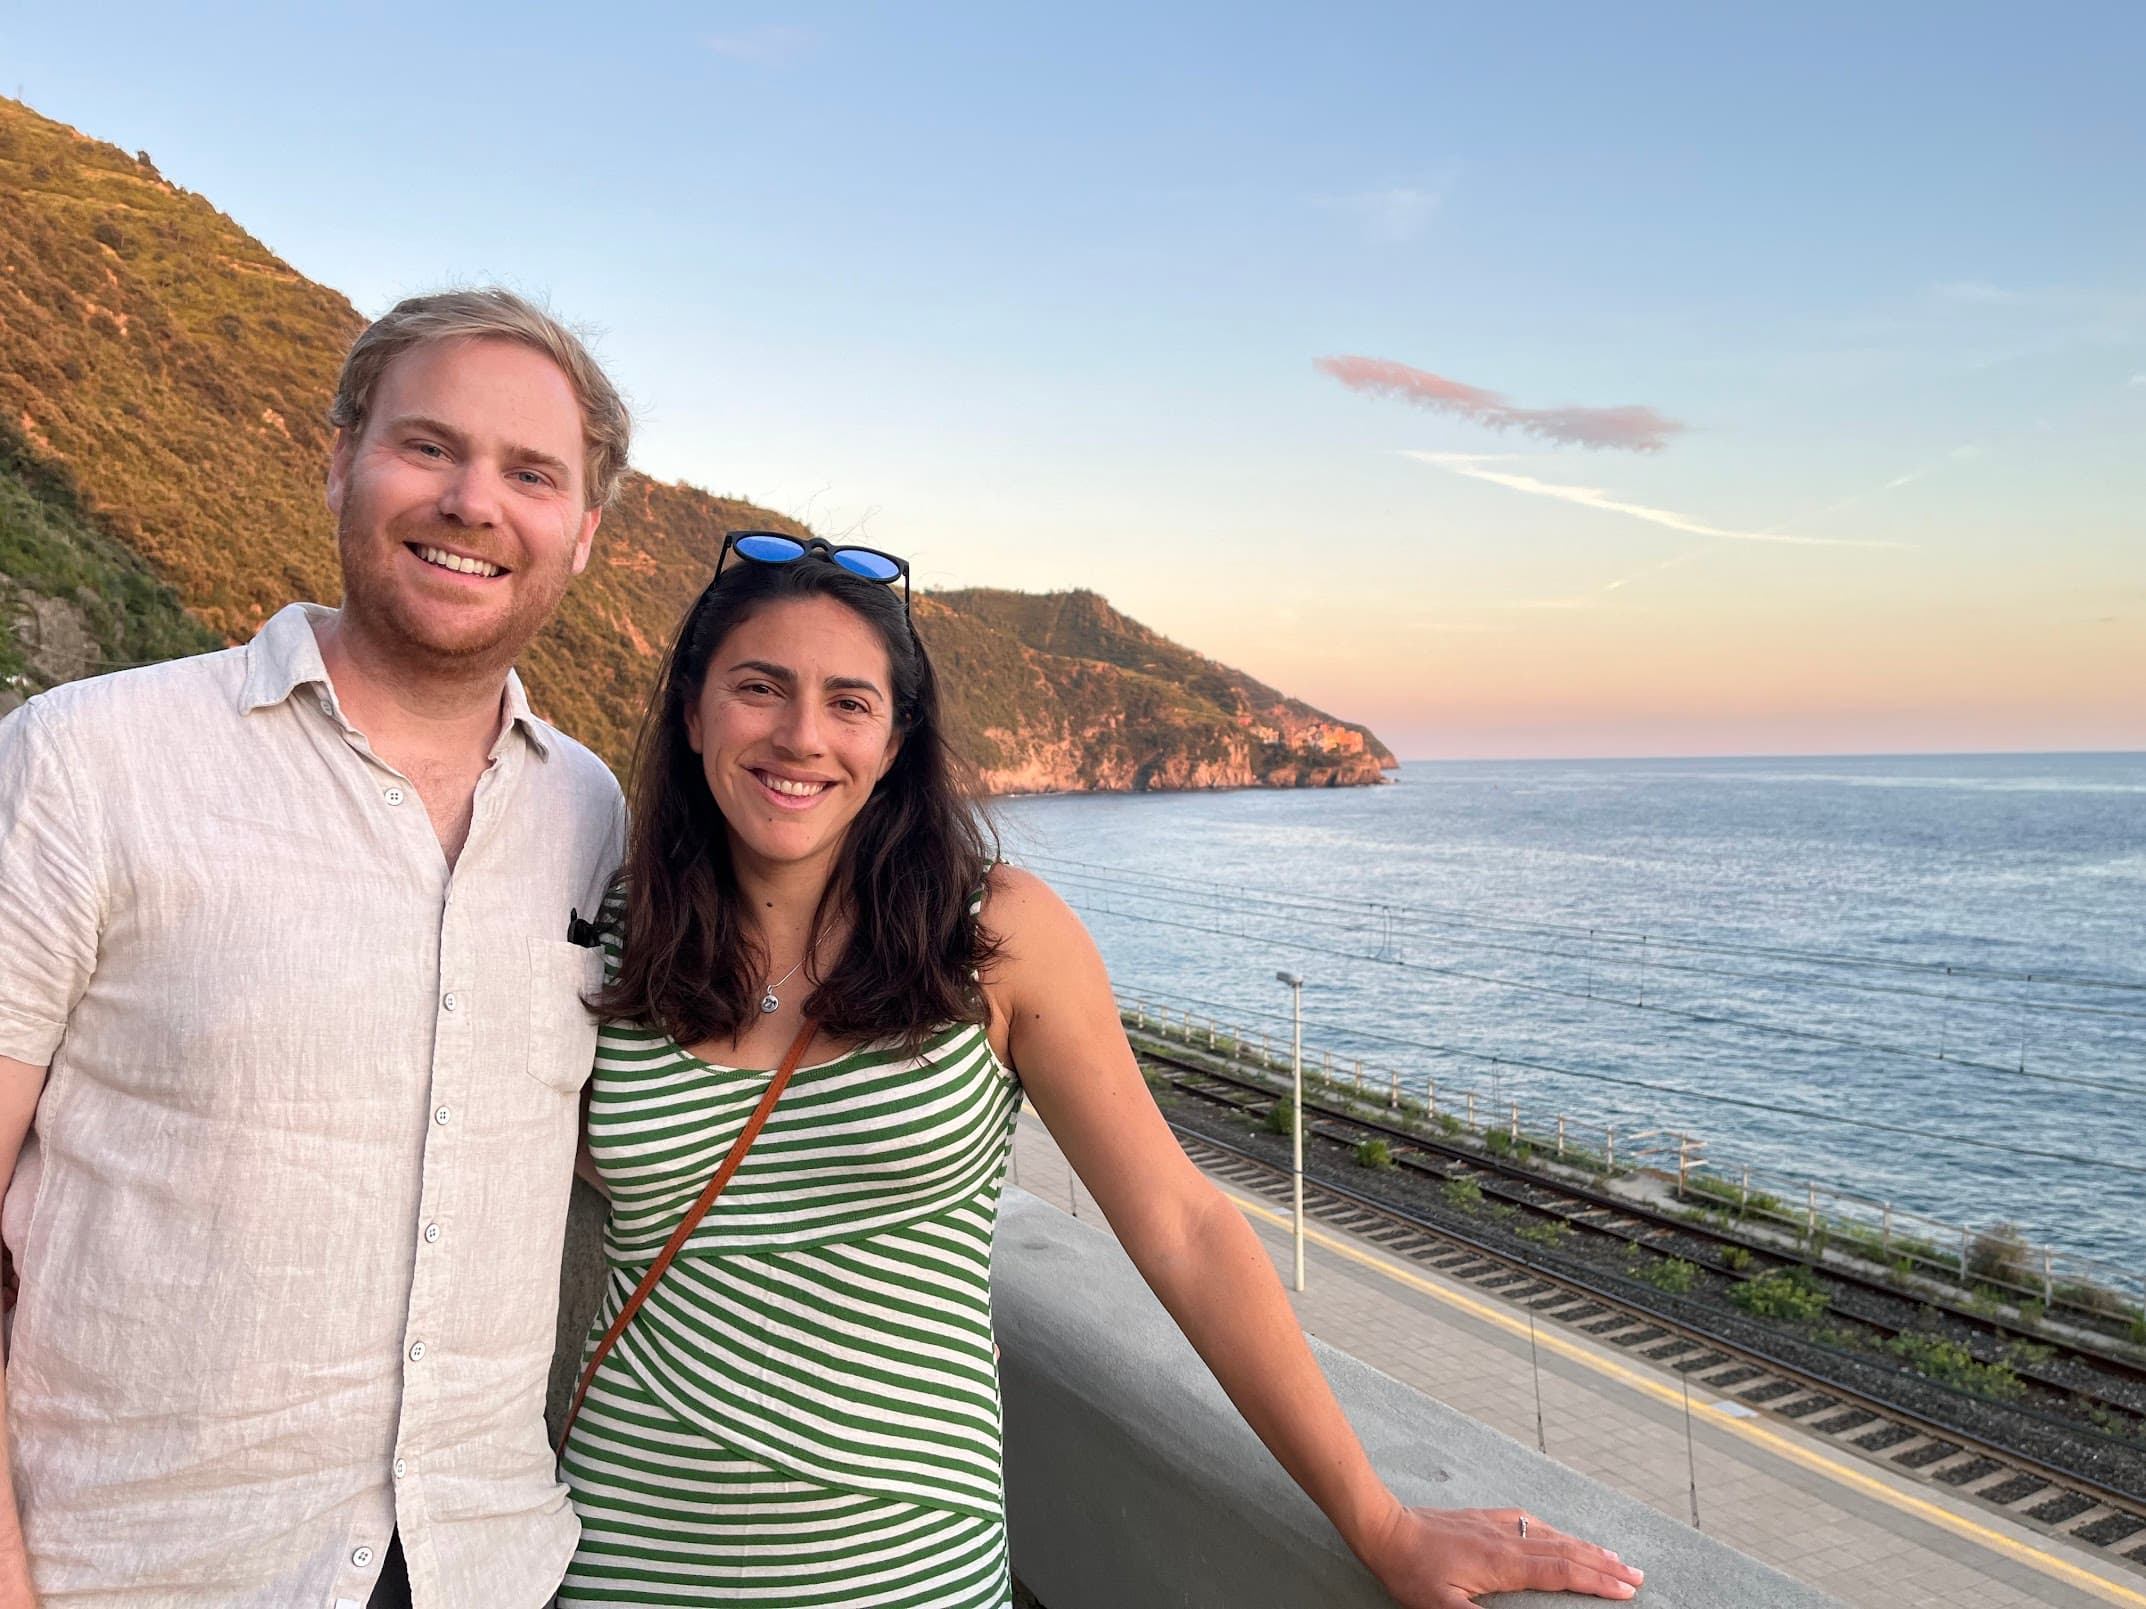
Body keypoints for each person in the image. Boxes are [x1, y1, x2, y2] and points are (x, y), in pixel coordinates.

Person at [556, 532, 1645, 1607]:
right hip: (624, 1557)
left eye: (849, 701)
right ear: (694, 711)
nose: (802, 735)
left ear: (892, 744)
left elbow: (1182, 1225)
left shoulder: (993, 935)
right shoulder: (604, 936)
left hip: (903, 1574)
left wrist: (1380, 1518)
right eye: (760, 688)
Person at [0, 288, 630, 1608]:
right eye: (427, 446)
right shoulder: (86, 761)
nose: (473, 501)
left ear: (580, 531)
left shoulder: (591, 812)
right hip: (143, 1570)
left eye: (530, 473)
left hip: (489, 1563)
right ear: (339, 455)